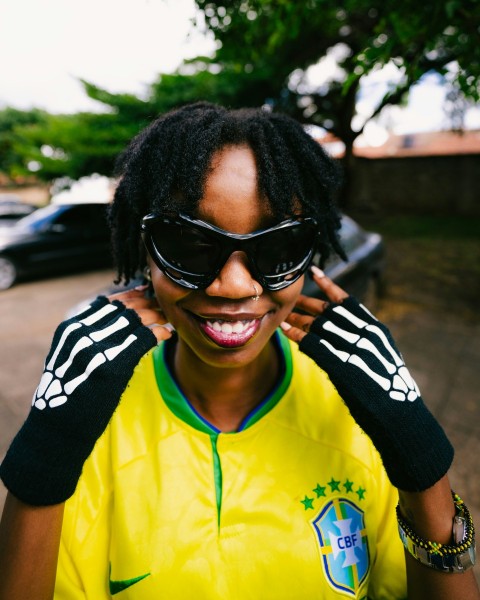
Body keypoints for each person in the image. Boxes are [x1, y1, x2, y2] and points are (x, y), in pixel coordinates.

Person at [0, 102, 477, 600]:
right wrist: (45, 453)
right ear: (146, 251)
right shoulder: (92, 414)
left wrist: (422, 460)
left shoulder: (363, 407)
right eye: (188, 244)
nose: (233, 285)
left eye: (278, 247)